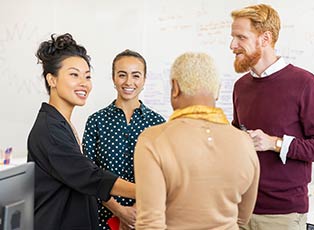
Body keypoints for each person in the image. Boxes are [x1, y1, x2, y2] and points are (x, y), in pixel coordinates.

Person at [230, 4, 314, 230]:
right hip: (239, 208)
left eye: (241, 37)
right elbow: (238, 137)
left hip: (282, 215)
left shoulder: (305, 83)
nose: (232, 45)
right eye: (232, 37)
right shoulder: (241, 87)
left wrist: (275, 143)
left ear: (265, 38)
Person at [134, 52, 260, 229]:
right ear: (217, 91)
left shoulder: (152, 140)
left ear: (175, 87)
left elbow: (150, 224)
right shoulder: (244, 142)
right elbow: (242, 218)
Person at [27, 33, 135, 230]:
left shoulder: (61, 123)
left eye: (87, 76)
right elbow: (89, 176)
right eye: (74, 75)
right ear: (52, 79)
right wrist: (147, 191)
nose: (84, 83)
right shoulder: (50, 130)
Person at [82, 49, 165, 230]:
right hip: (103, 219)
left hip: (145, 218)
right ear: (113, 78)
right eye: (122, 75)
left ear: (144, 79)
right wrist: (119, 211)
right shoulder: (96, 121)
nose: (129, 82)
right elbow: (88, 174)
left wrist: (134, 211)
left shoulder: (158, 123)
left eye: (136, 75)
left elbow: (163, 175)